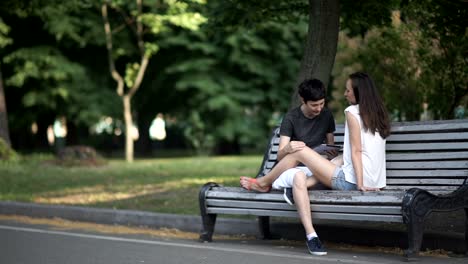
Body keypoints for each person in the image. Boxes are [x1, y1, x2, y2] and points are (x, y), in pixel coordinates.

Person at [240, 72, 391, 256]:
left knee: (301, 156)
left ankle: (263, 183)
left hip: (351, 180)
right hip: (372, 181)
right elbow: (363, 152)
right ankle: (309, 229)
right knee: (300, 174)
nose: (345, 94)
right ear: (303, 100)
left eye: (348, 90)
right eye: (314, 104)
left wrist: (359, 184)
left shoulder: (351, 112)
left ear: (358, 92)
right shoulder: (378, 112)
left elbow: (356, 151)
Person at [243, 79, 337, 198]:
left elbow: (331, 145)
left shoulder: (326, 115)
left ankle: (272, 185)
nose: (319, 108)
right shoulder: (291, 118)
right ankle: (280, 185)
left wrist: (332, 153)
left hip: (315, 167)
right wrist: (288, 148)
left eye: (321, 104)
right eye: (314, 105)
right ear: (303, 100)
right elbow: (280, 156)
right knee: (298, 171)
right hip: (294, 166)